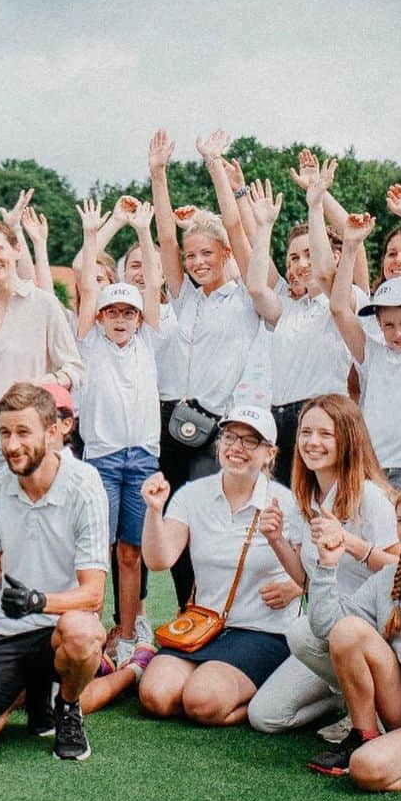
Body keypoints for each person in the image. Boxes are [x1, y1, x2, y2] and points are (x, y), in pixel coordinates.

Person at [0, 382, 109, 761]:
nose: (12, 445)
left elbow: (93, 594)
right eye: (5, 433)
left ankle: (68, 706)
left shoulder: (85, 486)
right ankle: (28, 691)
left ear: (52, 432)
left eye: (23, 432)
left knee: (82, 633)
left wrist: (37, 601)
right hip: (7, 632)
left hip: (61, 626)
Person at [149, 130, 262, 607]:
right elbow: (166, 237)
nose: (196, 262)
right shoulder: (184, 295)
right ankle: (186, 609)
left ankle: (222, 609)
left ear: (225, 256)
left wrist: (215, 165)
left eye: (206, 254)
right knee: (174, 520)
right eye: (192, 255)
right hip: (171, 424)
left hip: (217, 429)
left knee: (210, 523)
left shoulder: (245, 298)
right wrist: (158, 173)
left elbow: (236, 227)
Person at [139, 406, 304, 726]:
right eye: (230, 437)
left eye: (250, 441)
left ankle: (263, 696)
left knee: (202, 702)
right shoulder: (192, 495)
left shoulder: (285, 502)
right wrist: (153, 512)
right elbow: (159, 560)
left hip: (262, 631)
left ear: (270, 454)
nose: (236, 448)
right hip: (203, 626)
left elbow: (316, 571)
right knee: (156, 697)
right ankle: (214, 680)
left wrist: (294, 587)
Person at [249, 395, 397, 735]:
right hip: (326, 624)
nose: (312, 443)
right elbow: (306, 580)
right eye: (306, 432)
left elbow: (399, 571)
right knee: (266, 716)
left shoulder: (370, 497)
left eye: (325, 434)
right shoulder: (309, 496)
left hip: (369, 632)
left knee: (302, 632)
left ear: (347, 438)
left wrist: (351, 543)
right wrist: (277, 540)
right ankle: (345, 695)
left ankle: (373, 712)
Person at [74, 198, 161, 663]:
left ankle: (126, 636)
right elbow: (88, 287)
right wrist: (93, 236)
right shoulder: (90, 342)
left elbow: (155, 283)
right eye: (114, 313)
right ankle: (89, 632)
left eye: (129, 312)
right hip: (102, 459)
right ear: (102, 317)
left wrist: (145, 233)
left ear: (140, 317)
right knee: (97, 550)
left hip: (143, 459)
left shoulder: (148, 339)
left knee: (131, 553)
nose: (122, 319)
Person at [244, 164, 365, 485]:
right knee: (286, 511)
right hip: (281, 420)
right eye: (293, 259)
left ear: (334, 255)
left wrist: (315, 205)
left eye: (309, 254)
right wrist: (264, 226)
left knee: (324, 509)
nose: (301, 265)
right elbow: (256, 287)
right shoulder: (287, 309)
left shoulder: (344, 299)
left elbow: (325, 274)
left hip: (325, 417)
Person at [0, 218, 83, 498]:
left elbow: (75, 369)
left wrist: (43, 383)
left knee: (24, 517)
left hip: (24, 430)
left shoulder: (44, 304)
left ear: (16, 249)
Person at [303, 485, 401, 786]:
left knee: (365, 770)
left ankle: (383, 759)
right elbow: (328, 629)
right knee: (348, 630)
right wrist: (326, 567)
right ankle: (364, 735)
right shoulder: (389, 578)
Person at [329, 214, 401, 490]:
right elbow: (339, 308)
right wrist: (350, 247)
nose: (398, 333)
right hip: (372, 470)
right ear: (377, 323)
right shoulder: (372, 353)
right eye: (389, 325)